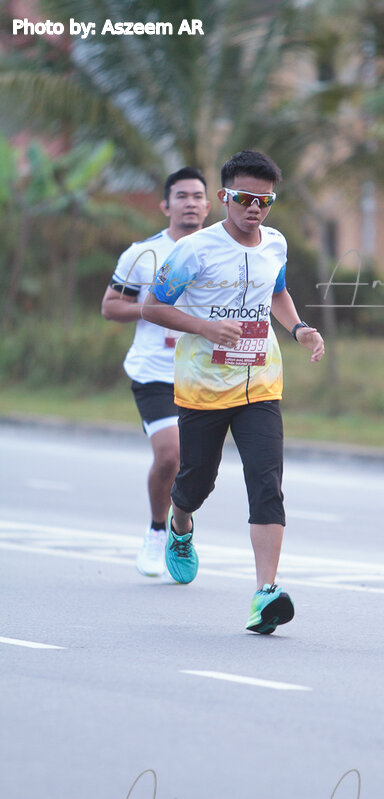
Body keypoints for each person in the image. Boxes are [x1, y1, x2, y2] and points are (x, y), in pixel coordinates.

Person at [142, 150, 325, 634]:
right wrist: (205, 327)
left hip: (260, 384)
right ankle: (180, 523)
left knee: (267, 483)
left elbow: (277, 291)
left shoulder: (276, 244)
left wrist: (299, 328)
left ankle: (265, 593)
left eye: (265, 201)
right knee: (196, 481)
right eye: (245, 199)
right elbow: (152, 307)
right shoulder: (194, 250)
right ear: (224, 197)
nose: (255, 209)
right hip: (203, 386)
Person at [101, 167, 210, 577]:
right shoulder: (143, 254)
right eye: (181, 196)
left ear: (208, 205)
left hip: (206, 374)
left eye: (197, 196)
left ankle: (181, 532)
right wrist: (153, 308)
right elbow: (111, 306)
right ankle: (157, 530)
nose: (190, 204)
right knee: (169, 456)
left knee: (196, 467)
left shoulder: (221, 251)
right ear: (166, 205)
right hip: (156, 373)